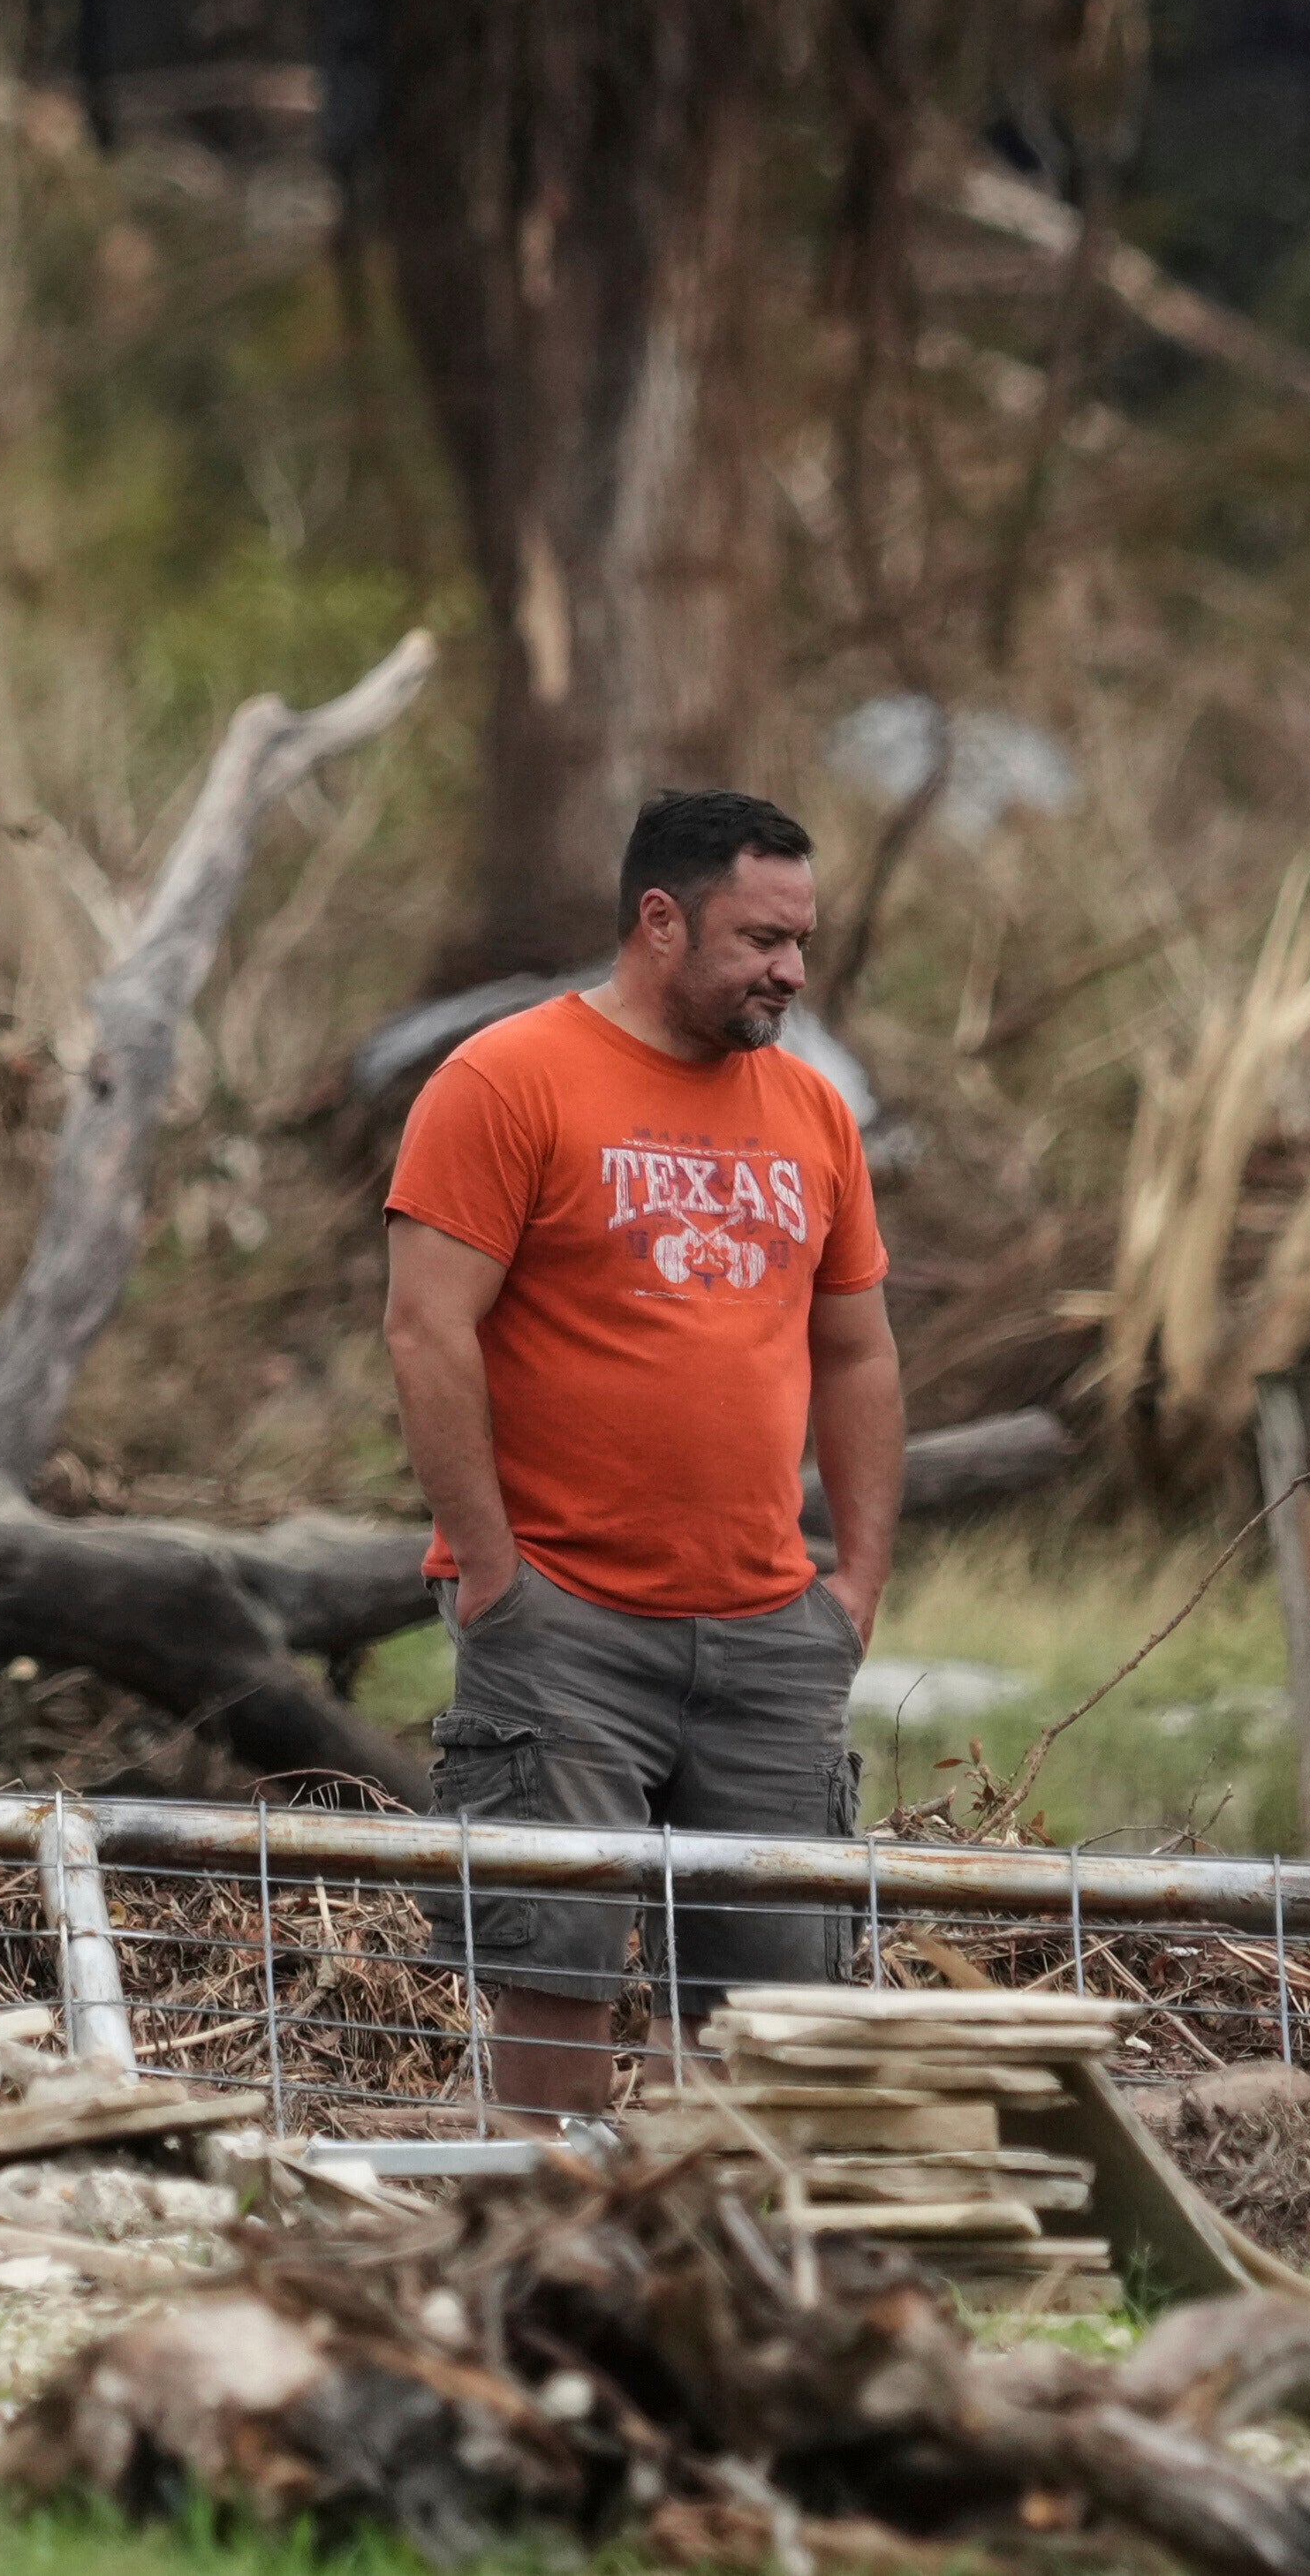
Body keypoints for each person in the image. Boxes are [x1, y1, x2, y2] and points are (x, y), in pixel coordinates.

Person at [379, 783, 902, 2111]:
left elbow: (857, 1353)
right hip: (561, 1622)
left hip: (768, 1628)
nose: (790, 971)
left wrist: (853, 1589)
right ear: (658, 922)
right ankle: (546, 2249)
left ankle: (722, 2275)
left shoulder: (812, 1113)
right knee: (552, 1969)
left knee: (769, 2011)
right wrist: (495, 1578)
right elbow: (425, 1332)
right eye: (760, 940)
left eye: (800, 940)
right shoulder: (504, 1079)